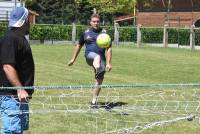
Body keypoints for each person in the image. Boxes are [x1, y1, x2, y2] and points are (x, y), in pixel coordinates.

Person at [0, 6, 34, 134]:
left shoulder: (18, 38)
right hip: (12, 96)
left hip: (18, 96)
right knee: (11, 131)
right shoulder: (11, 39)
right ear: (25, 20)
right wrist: (19, 89)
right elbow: (7, 66)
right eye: (29, 18)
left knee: (18, 130)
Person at [68, 14, 112, 108]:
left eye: (97, 21)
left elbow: (109, 49)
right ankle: (97, 68)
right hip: (89, 56)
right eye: (94, 21)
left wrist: (108, 63)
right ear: (90, 22)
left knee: (99, 80)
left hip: (102, 59)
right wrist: (73, 59)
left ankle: (94, 101)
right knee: (97, 57)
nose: (96, 23)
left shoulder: (104, 33)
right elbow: (79, 46)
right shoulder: (86, 33)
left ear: (100, 22)